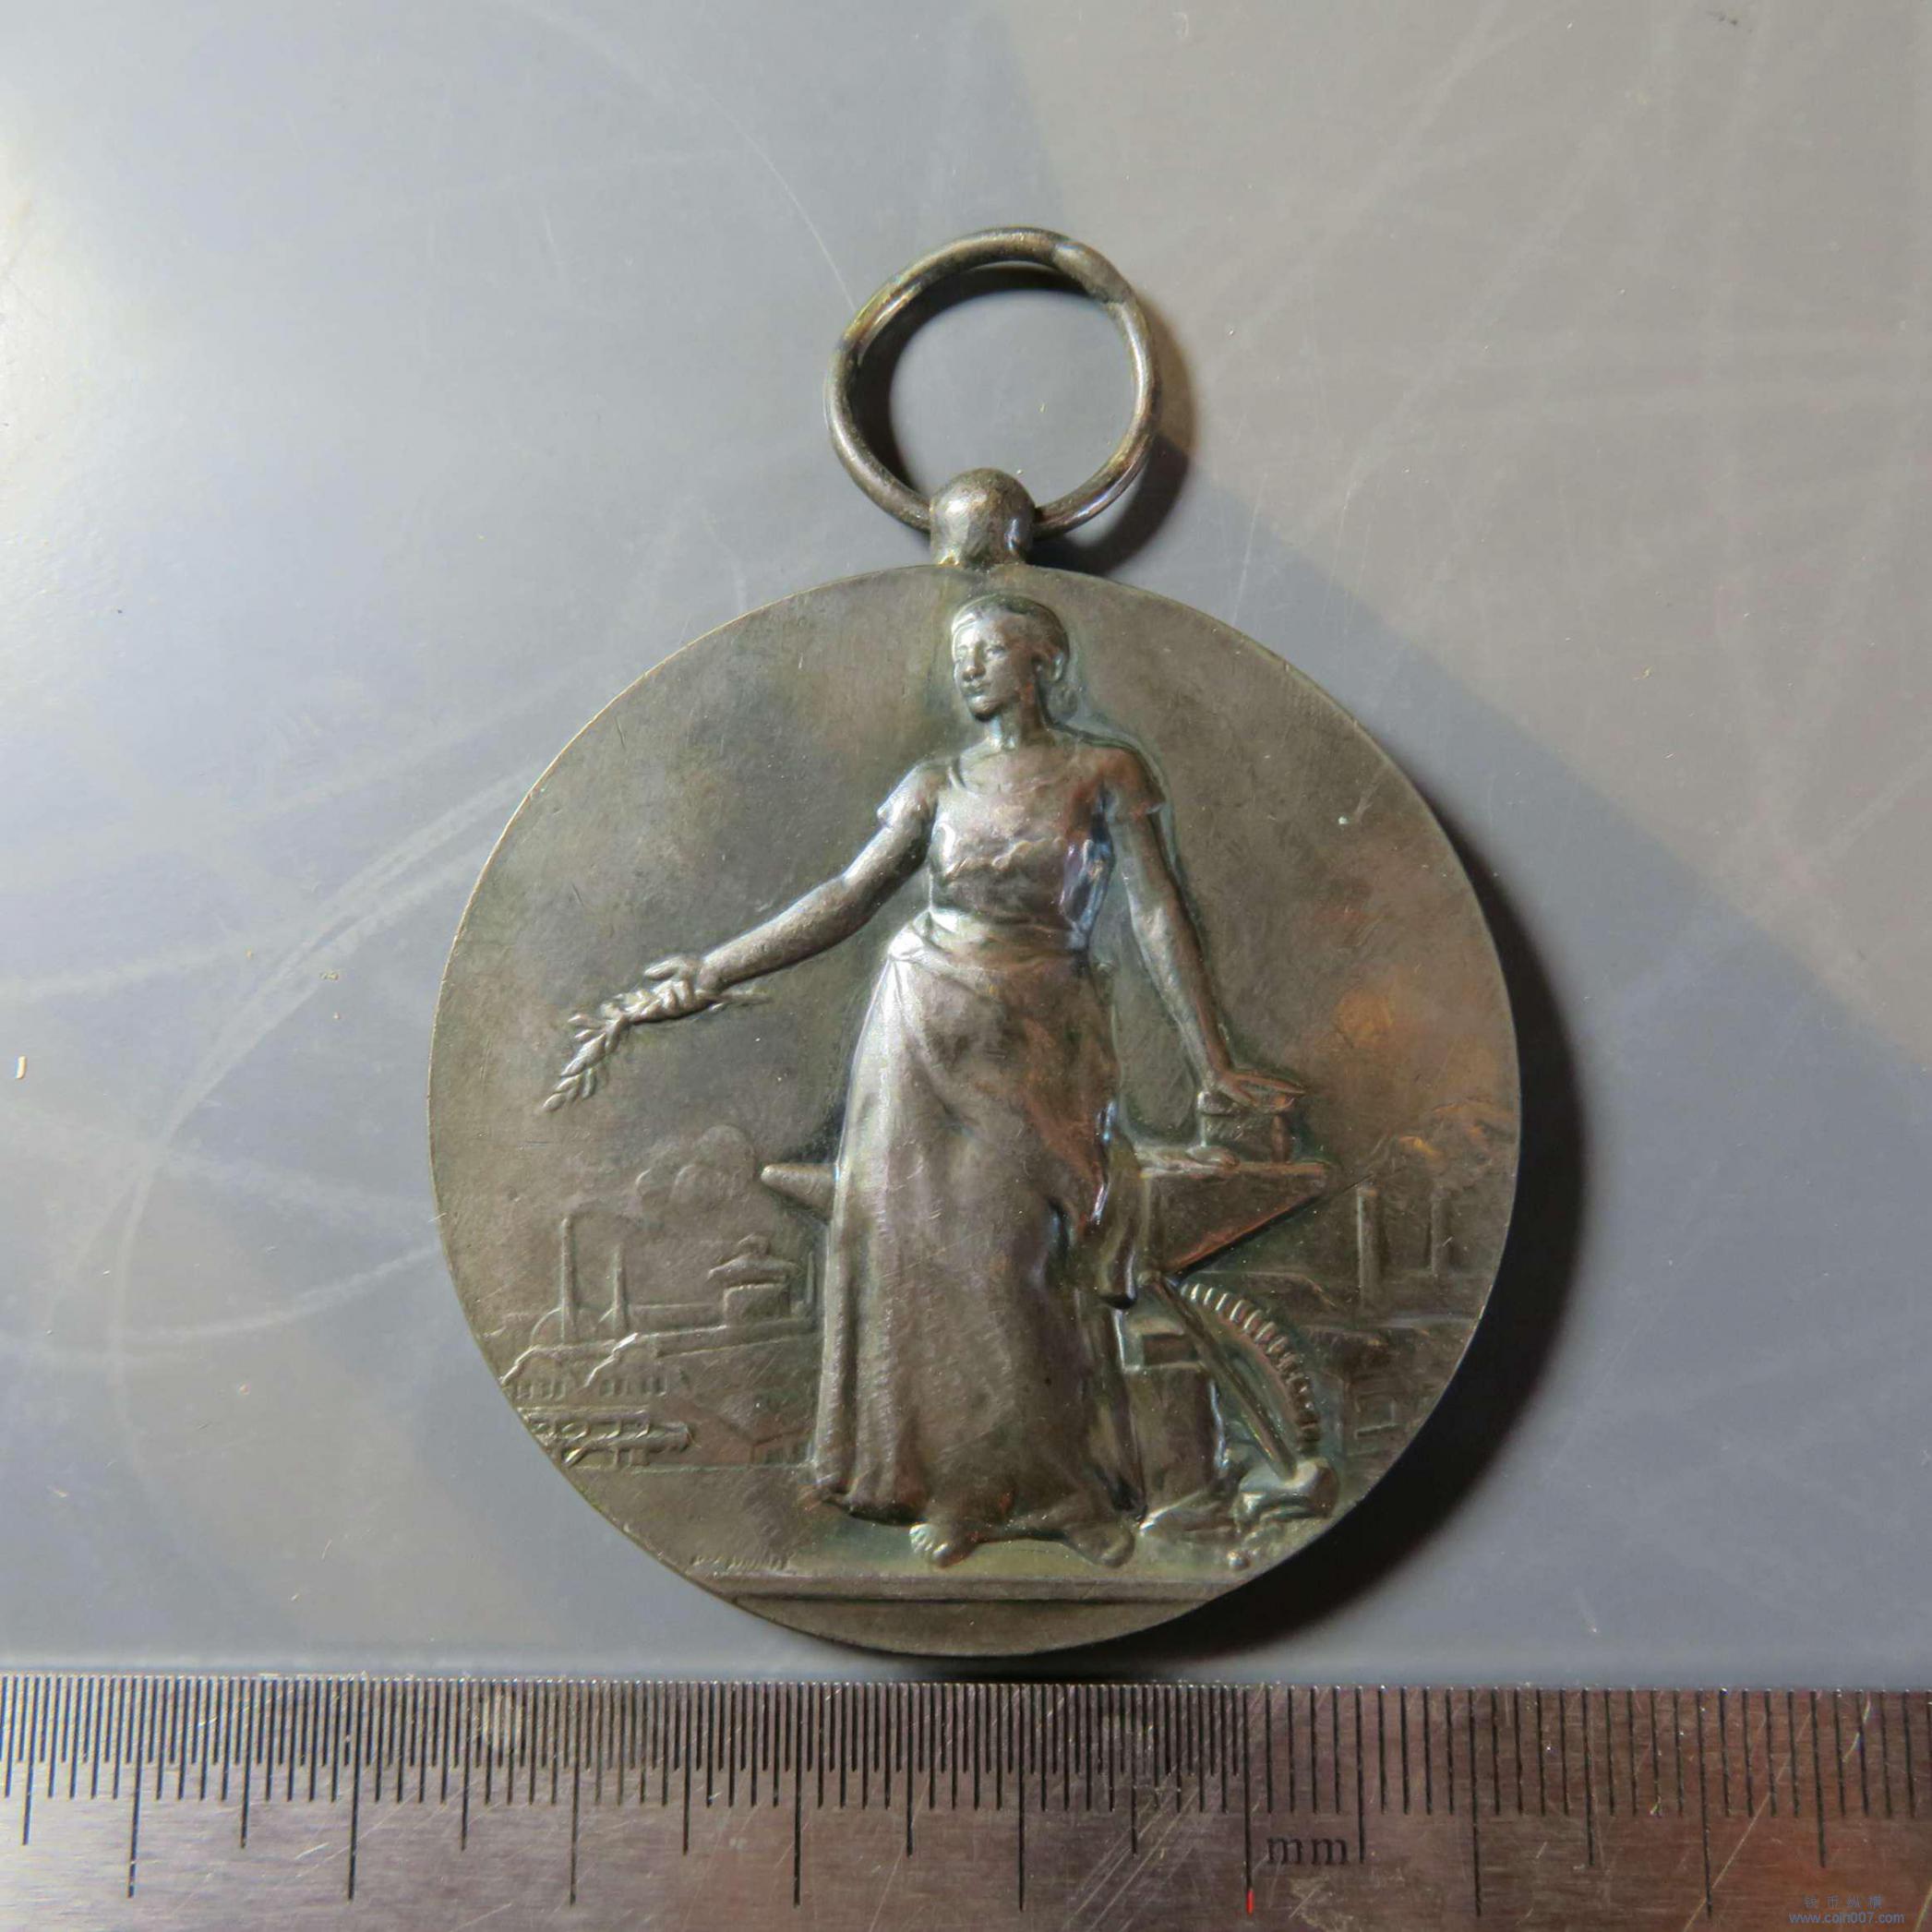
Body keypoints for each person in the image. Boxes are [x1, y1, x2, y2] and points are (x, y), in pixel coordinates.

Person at [629, 592, 1296, 1566]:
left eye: (986, 650)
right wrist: (714, 968)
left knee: (1031, 1258)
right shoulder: (934, 781)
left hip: (1043, 1037)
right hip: (920, 1029)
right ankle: (958, 1490)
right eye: (960, 654)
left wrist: (1213, 1059)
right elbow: (847, 895)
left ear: (1042, 663)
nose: (967, 668)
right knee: (931, 1264)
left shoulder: (1104, 770)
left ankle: (1072, 1487)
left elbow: (1158, 912)